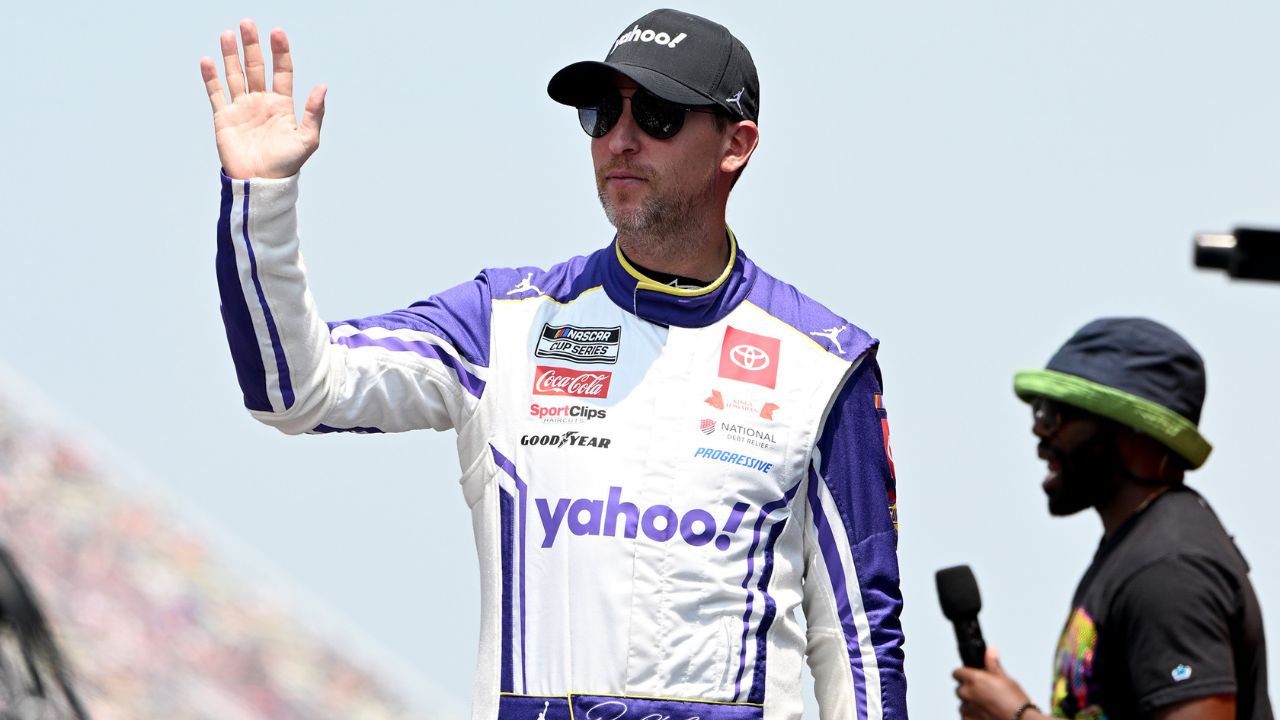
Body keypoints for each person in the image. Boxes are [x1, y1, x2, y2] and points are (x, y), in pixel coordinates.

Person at [200, 9, 906, 719]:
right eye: (600, 113)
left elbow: (858, 640)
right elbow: (294, 388)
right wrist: (262, 201)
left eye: (657, 115)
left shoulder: (825, 365)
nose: (620, 140)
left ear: (736, 144)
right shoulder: (503, 322)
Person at [953, 318, 1271, 720]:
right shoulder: (1136, 551)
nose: (1038, 431)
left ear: (1129, 429)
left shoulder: (1169, 570)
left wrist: (1019, 717)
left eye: (1054, 414)